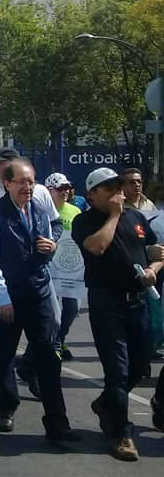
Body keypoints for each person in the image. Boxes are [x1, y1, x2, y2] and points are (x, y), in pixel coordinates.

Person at [0, 159, 79, 443]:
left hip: (38, 291)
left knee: (49, 355)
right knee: (3, 355)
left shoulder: (38, 208)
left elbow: (51, 232)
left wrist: (52, 246)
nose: (27, 187)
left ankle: (57, 423)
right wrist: (2, 297)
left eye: (31, 181)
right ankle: (6, 407)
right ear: (7, 183)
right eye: (21, 182)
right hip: (8, 295)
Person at [73, 168, 164, 461]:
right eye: (109, 188)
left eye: (118, 186)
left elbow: (156, 252)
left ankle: (106, 403)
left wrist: (153, 269)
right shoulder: (85, 220)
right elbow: (96, 247)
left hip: (138, 301)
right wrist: (113, 215)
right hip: (106, 302)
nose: (117, 192)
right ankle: (121, 432)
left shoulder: (136, 218)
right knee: (118, 370)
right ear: (92, 194)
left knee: (140, 366)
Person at [44, 172, 82, 359]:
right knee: (53, 312)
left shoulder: (74, 211)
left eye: (67, 188)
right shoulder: (40, 210)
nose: (65, 191)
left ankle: (60, 338)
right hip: (48, 268)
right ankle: (54, 344)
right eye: (60, 188)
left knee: (72, 308)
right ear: (49, 190)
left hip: (70, 270)